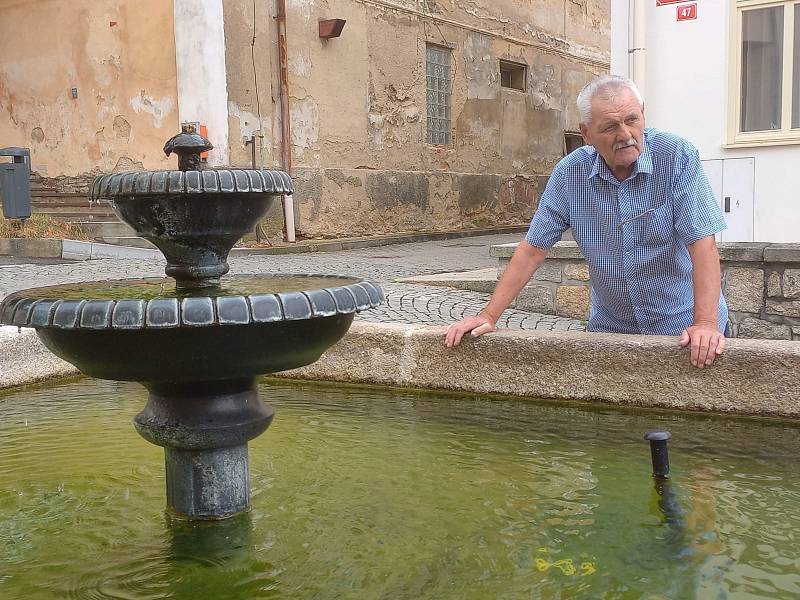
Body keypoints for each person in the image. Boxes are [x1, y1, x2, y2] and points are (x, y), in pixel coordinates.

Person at [444, 74, 728, 368]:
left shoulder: (676, 157)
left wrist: (705, 323)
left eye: (632, 120)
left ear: (643, 115)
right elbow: (532, 250)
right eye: (610, 127)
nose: (625, 134)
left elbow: (702, 243)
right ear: (586, 134)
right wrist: (488, 316)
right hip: (611, 331)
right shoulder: (570, 175)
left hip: (681, 330)